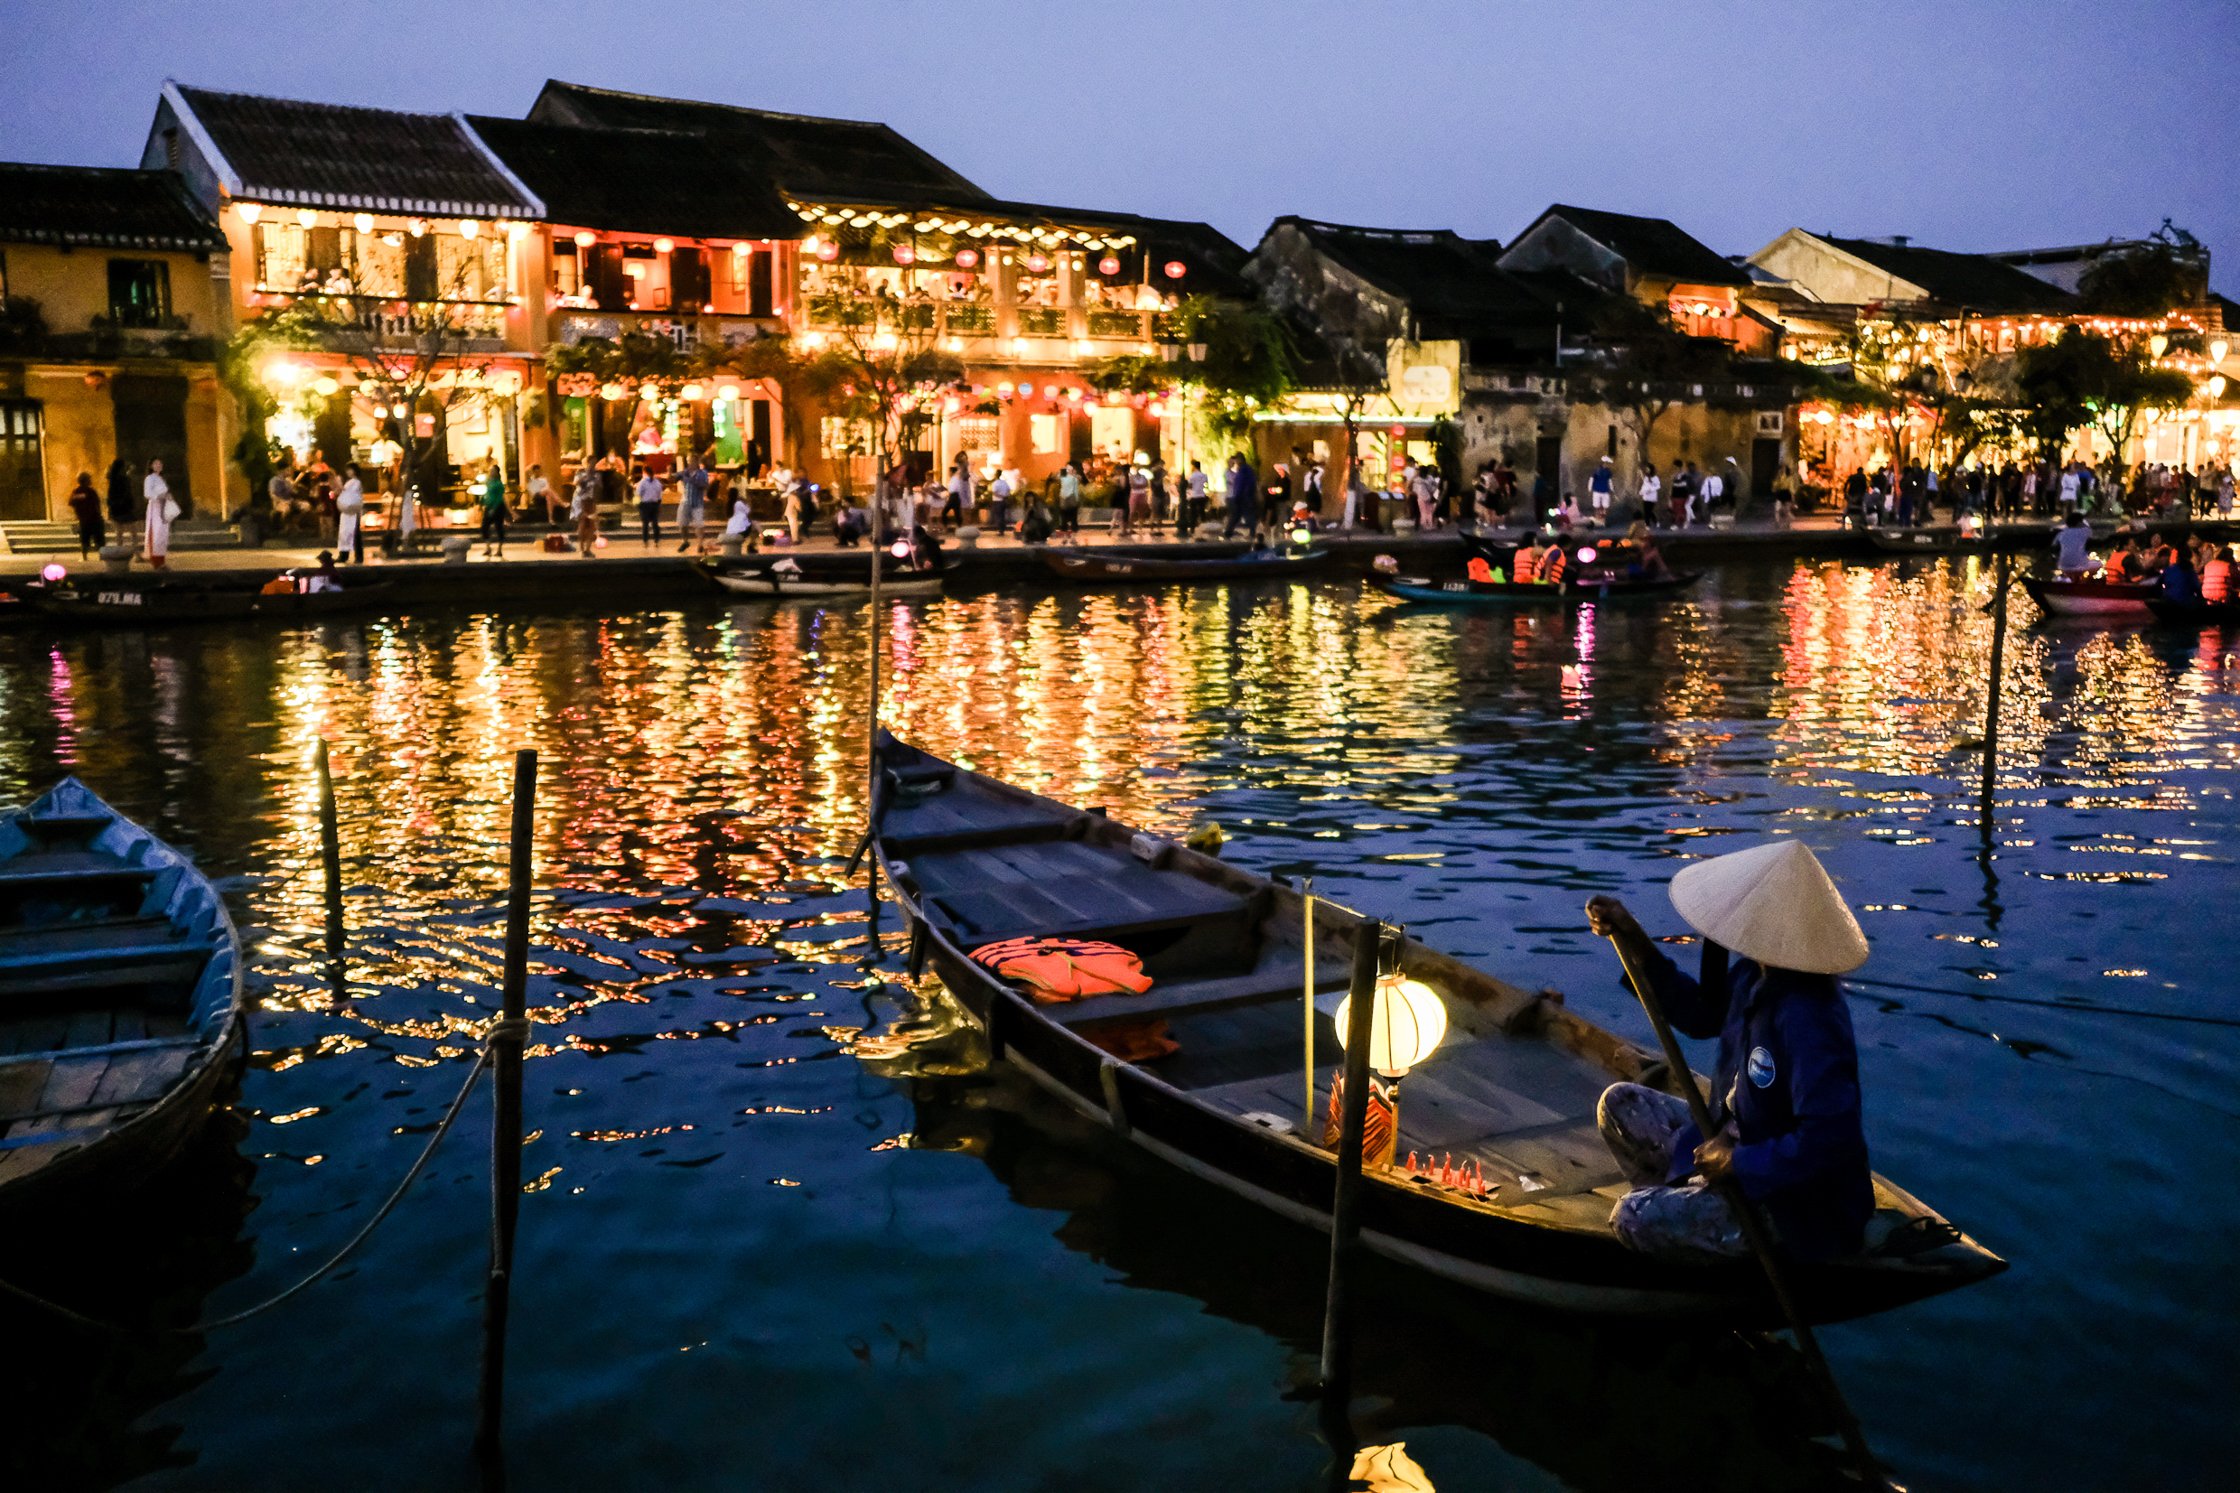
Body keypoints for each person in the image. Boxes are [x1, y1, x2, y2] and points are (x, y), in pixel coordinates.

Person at [1585, 840, 1874, 1262]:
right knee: (1621, 1104)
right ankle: (1693, 1213)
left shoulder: (1809, 1017)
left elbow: (1828, 1140)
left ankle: (1701, 1234)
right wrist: (1633, 938)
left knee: (1631, 1217)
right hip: (1733, 1136)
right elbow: (1701, 1015)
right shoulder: (1753, 974)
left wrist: (1741, 1162)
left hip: (1795, 1204)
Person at [141, 458, 177, 568]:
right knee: (155, 534)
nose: (159, 465)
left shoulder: (160, 478)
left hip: (163, 508)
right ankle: (156, 562)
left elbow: (164, 493)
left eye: (160, 463)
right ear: (151, 466)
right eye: (156, 463)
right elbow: (147, 494)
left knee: (162, 535)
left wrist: (168, 496)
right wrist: (160, 496)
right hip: (155, 509)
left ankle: (161, 561)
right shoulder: (149, 478)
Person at [67, 472, 105, 557]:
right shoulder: (91, 491)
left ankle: (84, 556)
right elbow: (96, 504)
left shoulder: (76, 491)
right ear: (86, 481)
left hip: (83, 519)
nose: (90, 481)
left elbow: (72, 503)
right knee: (98, 538)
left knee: (85, 539)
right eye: (89, 479)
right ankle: (101, 556)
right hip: (94, 518)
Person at [676, 456, 710, 553]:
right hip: (685, 501)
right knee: (682, 523)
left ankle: (700, 544)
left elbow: (704, 485)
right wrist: (670, 472)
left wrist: (692, 480)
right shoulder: (685, 472)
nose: (689, 463)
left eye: (691, 461)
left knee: (699, 525)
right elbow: (673, 477)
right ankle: (685, 541)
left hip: (697, 502)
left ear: (696, 461)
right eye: (688, 461)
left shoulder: (702, 473)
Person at [1223, 452, 1259, 542]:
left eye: (1237, 459)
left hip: (1243, 497)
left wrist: (1238, 495)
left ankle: (1230, 532)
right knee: (1239, 515)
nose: (1236, 461)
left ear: (1240, 460)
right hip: (1245, 496)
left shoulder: (1243, 470)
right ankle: (1229, 532)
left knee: (1244, 515)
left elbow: (1240, 484)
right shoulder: (1246, 470)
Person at [478, 462, 509, 557]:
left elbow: (499, 497)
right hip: (488, 506)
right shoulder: (488, 482)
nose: (491, 472)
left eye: (493, 471)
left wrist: (494, 508)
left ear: (497, 472)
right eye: (490, 471)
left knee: (498, 527)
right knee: (484, 527)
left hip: (498, 507)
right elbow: (486, 494)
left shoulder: (499, 484)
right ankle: (488, 547)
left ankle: (499, 549)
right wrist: (481, 503)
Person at [571, 462, 602, 557]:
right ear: (587, 464)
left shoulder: (596, 475)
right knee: (583, 523)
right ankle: (581, 549)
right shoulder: (580, 473)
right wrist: (585, 477)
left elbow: (599, 487)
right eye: (591, 464)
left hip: (590, 501)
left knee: (591, 525)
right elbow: (575, 483)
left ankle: (587, 549)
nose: (592, 466)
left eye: (594, 464)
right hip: (580, 500)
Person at [2052, 510, 2095, 578]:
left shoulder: (2061, 533)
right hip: (2080, 565)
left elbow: (2054, 546)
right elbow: (2087, 528)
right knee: (2098, 564)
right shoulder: (2086, 531)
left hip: (2062, 565)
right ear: (2079, 522)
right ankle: (2088, 581)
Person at [105, 456, 136, 548]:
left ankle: (119, 551)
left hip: (115, 509)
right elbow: (127, 491)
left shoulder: (112, 480)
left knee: (119, 533)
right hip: (125, 508)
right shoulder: (124, 479)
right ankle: (137, 554)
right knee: (133, 532)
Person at [336, 467, 366, 563]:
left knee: (354, 533)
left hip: (352, 511)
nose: (348, 472)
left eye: (350, 469)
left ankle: (358, 556)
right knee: (344, 533)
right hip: (346, 511)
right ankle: (344, 555)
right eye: (347, 470)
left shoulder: (356, 482)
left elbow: (350, 493)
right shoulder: (350, 482)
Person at [634, 465, 663, 546]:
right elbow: (659, 494)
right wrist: (659, 504)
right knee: (655, 523)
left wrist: (635, 504)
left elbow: (638, 494)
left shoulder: (642, 482)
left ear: (644, 472)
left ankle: (645, 541)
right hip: (655, 504)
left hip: (645, 505)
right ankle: (656, 540)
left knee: (645, 524)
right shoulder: (657, 482)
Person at [1588, 456, 1613, 523]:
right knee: (1597, 505)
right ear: (1604, 463)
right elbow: (1591, 479)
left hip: (1605, 490)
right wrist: (1590, 488)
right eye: (1607, 463)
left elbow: (1609, 481)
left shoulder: (1608, 471)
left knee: (1605, 505)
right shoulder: (1596, 470)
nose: (1608, 465)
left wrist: (1611, 488)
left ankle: (1603, 520)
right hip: (1597, 490)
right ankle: (1597, 519)